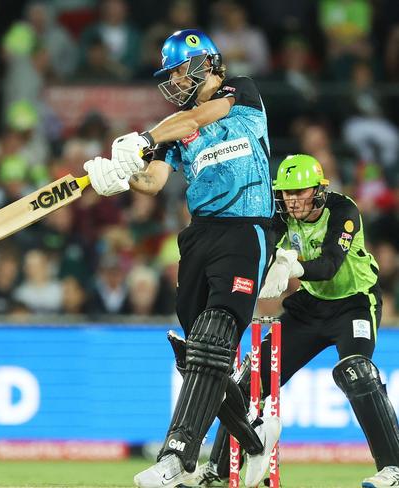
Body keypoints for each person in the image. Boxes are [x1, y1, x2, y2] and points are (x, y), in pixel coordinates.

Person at [83, 29, 280, 488]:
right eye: (168, 76)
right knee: (199, 357)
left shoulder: (241, 93)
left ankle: (177, 456)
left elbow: (204, 115)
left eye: (178, 71)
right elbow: (152, 182)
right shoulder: (175, 128)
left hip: (245, 229)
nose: (173, 82)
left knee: (211, 343)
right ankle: (254, 439)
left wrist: (144, 138)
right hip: (199, 239)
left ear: (206, 65)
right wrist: (115, 174)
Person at [192, 154, 399, 488]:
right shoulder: (281, 217)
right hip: (310, 306)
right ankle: (217, 468)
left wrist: (294, 267)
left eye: (299, 192)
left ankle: (394, 468)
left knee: (357, 371)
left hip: (354, 305)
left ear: (318, 190)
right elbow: (261, 252)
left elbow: (331, 264)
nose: (292, 200)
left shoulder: (343, 211)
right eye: (286, 193)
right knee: (248, 382)